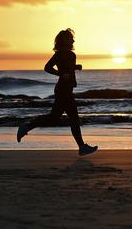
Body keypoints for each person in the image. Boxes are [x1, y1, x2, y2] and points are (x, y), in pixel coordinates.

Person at [16, 28, 98, 156]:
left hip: (63, 89)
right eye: (71, 38)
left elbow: (57, 68)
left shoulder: (61, 54)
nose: (73, 40)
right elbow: (53, 68)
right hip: (64, 90)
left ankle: (26, 127)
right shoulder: (68, 54)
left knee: (54, 117)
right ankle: (82, 147)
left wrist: (73, 68)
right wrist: (63, 73)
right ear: (65, 40)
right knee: (73, 119)